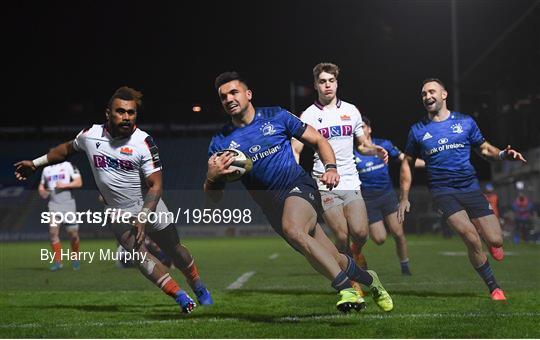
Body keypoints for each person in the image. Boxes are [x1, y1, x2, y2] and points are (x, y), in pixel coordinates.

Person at [205, 71, 393, 313]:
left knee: (293, 229)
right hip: (272, 208)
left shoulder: (277, 116)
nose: (229, 99)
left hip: (299, 187)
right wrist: (212, 178)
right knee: (331, 257)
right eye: (223, 97)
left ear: (248, 94)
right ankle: (371, 281)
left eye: (234, 92)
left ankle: (347, 289)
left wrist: (331, 168)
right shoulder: (220, 142)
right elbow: (213, 198)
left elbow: (318, 140)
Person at [15, 86, 212, 314]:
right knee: (140, 257)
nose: (126, 117)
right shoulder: (90, 135)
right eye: (121, 111)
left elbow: (155, 184)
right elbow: (66, 149)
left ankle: (197, 284)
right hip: (117, 212)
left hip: (151, 206)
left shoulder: (144, 142)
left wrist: (143, 215)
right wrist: (36, 163)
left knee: (175, 250)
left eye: (131, 112)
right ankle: (180, 296)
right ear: (108, 113)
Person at [397, 78, 527, 301]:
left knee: (496, 240)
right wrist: (404, 197)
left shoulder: (465, 122)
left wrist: (504, 155)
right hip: (443, 192)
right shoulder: (418, 130)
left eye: (431, 92)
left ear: (444, 94)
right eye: (423, 94)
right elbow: (407, 164)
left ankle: (491, 241)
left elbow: (485, 150)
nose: (427, 96)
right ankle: (494, 287)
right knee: (471, 238)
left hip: (470, 188)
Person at [291, 63, 388, 274]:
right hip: (324, 181)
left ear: (337, 83)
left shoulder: (351, 110)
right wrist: (294, 176)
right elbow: (296, 149)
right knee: (342, 235)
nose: (327, 85)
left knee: (361, 233)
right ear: (316, 85)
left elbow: (362, 144)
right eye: (323, 81)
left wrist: (374, 150)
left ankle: (356, 252)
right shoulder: (307, 115)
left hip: (351, 180)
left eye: (331, 81)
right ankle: (351, 276)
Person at [354, 116, 424, 275]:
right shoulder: (353, 153)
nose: (361, 130)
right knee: (379, 239)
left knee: (398, 233)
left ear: (369, 128)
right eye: (358, 128)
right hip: (368, 200)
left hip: (387, 196)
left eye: (364, 126)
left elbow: (404, 159)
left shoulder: (383, 145)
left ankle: (405, 266)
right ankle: (356, 255)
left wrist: (428, 163)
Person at [38, 161, 83, 271]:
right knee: (53, 232)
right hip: (53, 205)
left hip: (68, 204)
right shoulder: (46, 169)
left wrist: (64, 185)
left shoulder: (69, 165)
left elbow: (79, 182)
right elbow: (42, 184)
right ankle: (58, 262)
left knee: (73, 235)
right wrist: (41, 189)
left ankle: (75, 259)